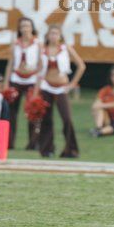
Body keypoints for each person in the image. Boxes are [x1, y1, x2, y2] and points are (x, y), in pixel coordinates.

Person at [37, 24, 86, 158]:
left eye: (56, 33)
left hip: (61, 88)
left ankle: (71, 150)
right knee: (46, 118)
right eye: (51, 33)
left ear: (60, 36)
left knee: (67, 118)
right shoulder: (42, 49)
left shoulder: (65, 48)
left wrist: (72, 84)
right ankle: (47, 149)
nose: (53, 36)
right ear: (47, 35)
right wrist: (36, 91)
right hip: (46, 86)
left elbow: (81, 65)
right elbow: (39, 71)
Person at [3, 17, 42, 150]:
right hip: (16, 78)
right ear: (19, 29)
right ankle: (9, 143)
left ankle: (33, 143)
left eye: (28, 26)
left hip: (31, 79)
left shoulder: (38, 44)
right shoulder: (15, 43)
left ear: (32, 28)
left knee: (33, 111)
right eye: (22, 26)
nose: (25, 29)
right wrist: (6, 83)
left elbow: (41, 64)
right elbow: (10, 63)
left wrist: (37, 80)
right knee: (11, 112)